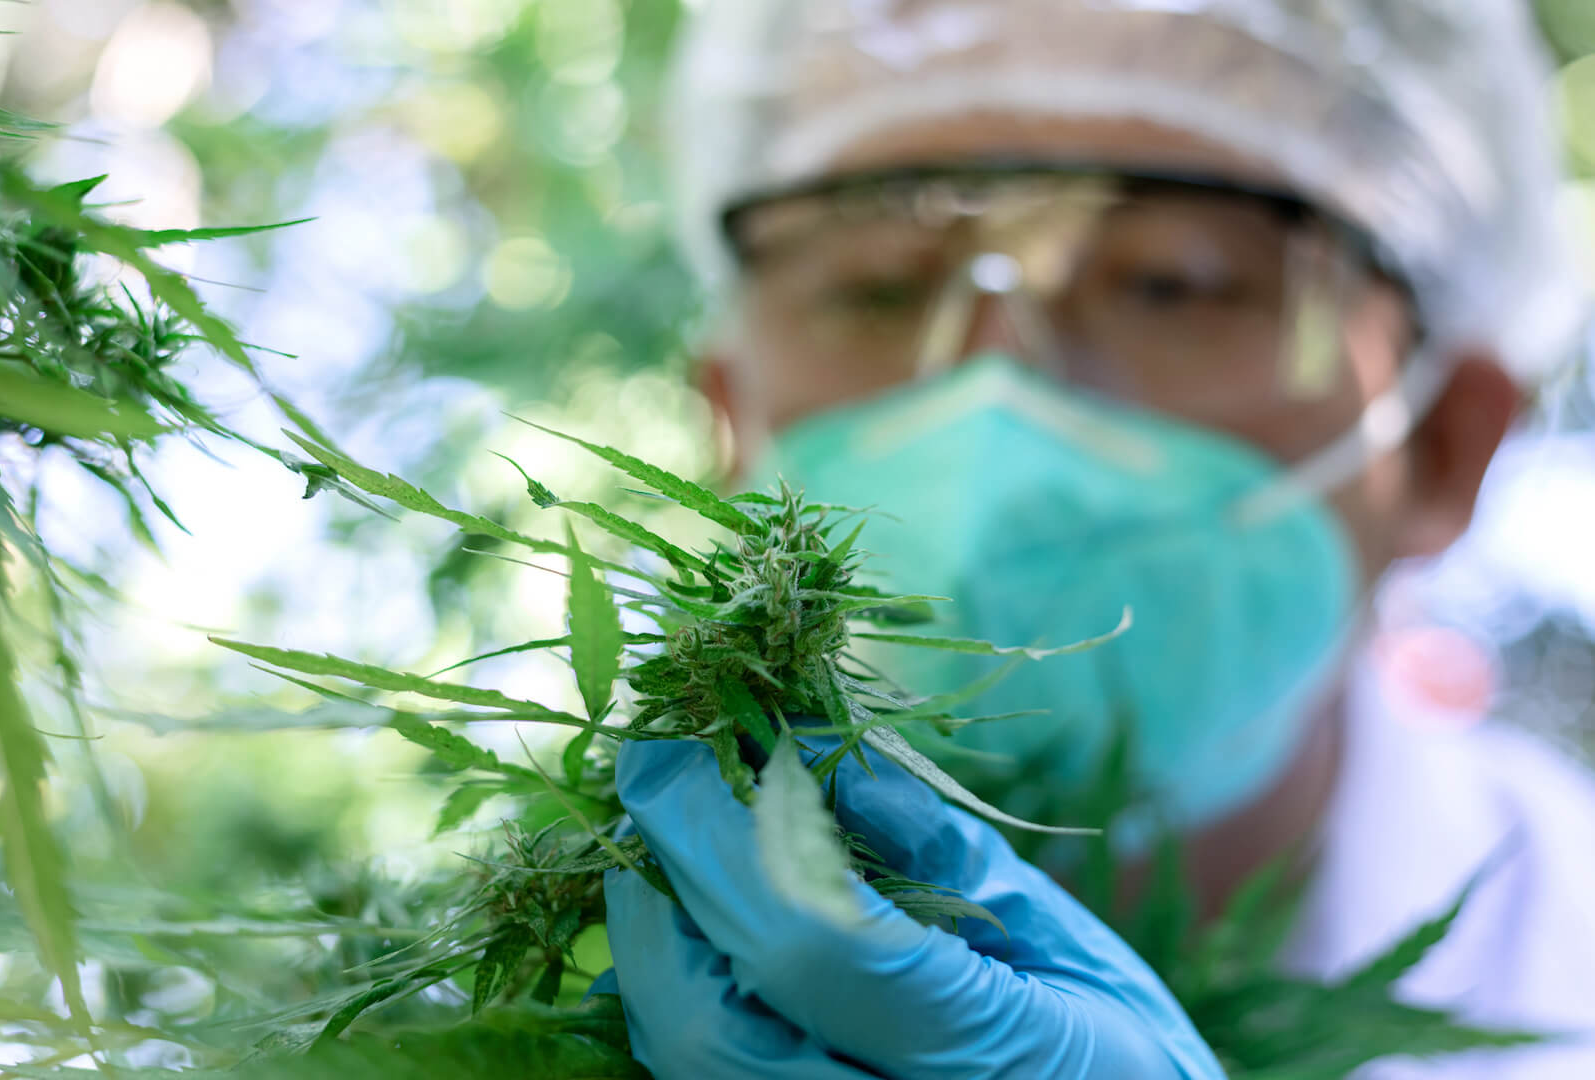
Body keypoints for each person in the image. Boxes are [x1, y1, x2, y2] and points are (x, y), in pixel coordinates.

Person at [595, 1, 1595, 1076]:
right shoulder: (508, 990)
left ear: (1447, 442)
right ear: (729, 419)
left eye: (1173, 283)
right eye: (874, 284)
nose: (991, 398)